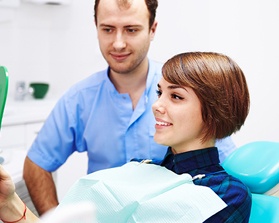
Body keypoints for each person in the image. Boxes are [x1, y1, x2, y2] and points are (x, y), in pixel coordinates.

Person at [23, 0, 237, 216]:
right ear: (96, 27)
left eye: (131, 30)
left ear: (152, 29)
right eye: (107, 29)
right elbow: (37, 163)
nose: (118, 44)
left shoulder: (185, 91)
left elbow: (223, 165)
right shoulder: (79, 99)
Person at [0, 51, 251, 222]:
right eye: (159, 92)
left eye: (176, 96)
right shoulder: (140, 169)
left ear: (215, 112)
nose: (156, 105)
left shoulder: (226, 194)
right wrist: (10, 204)